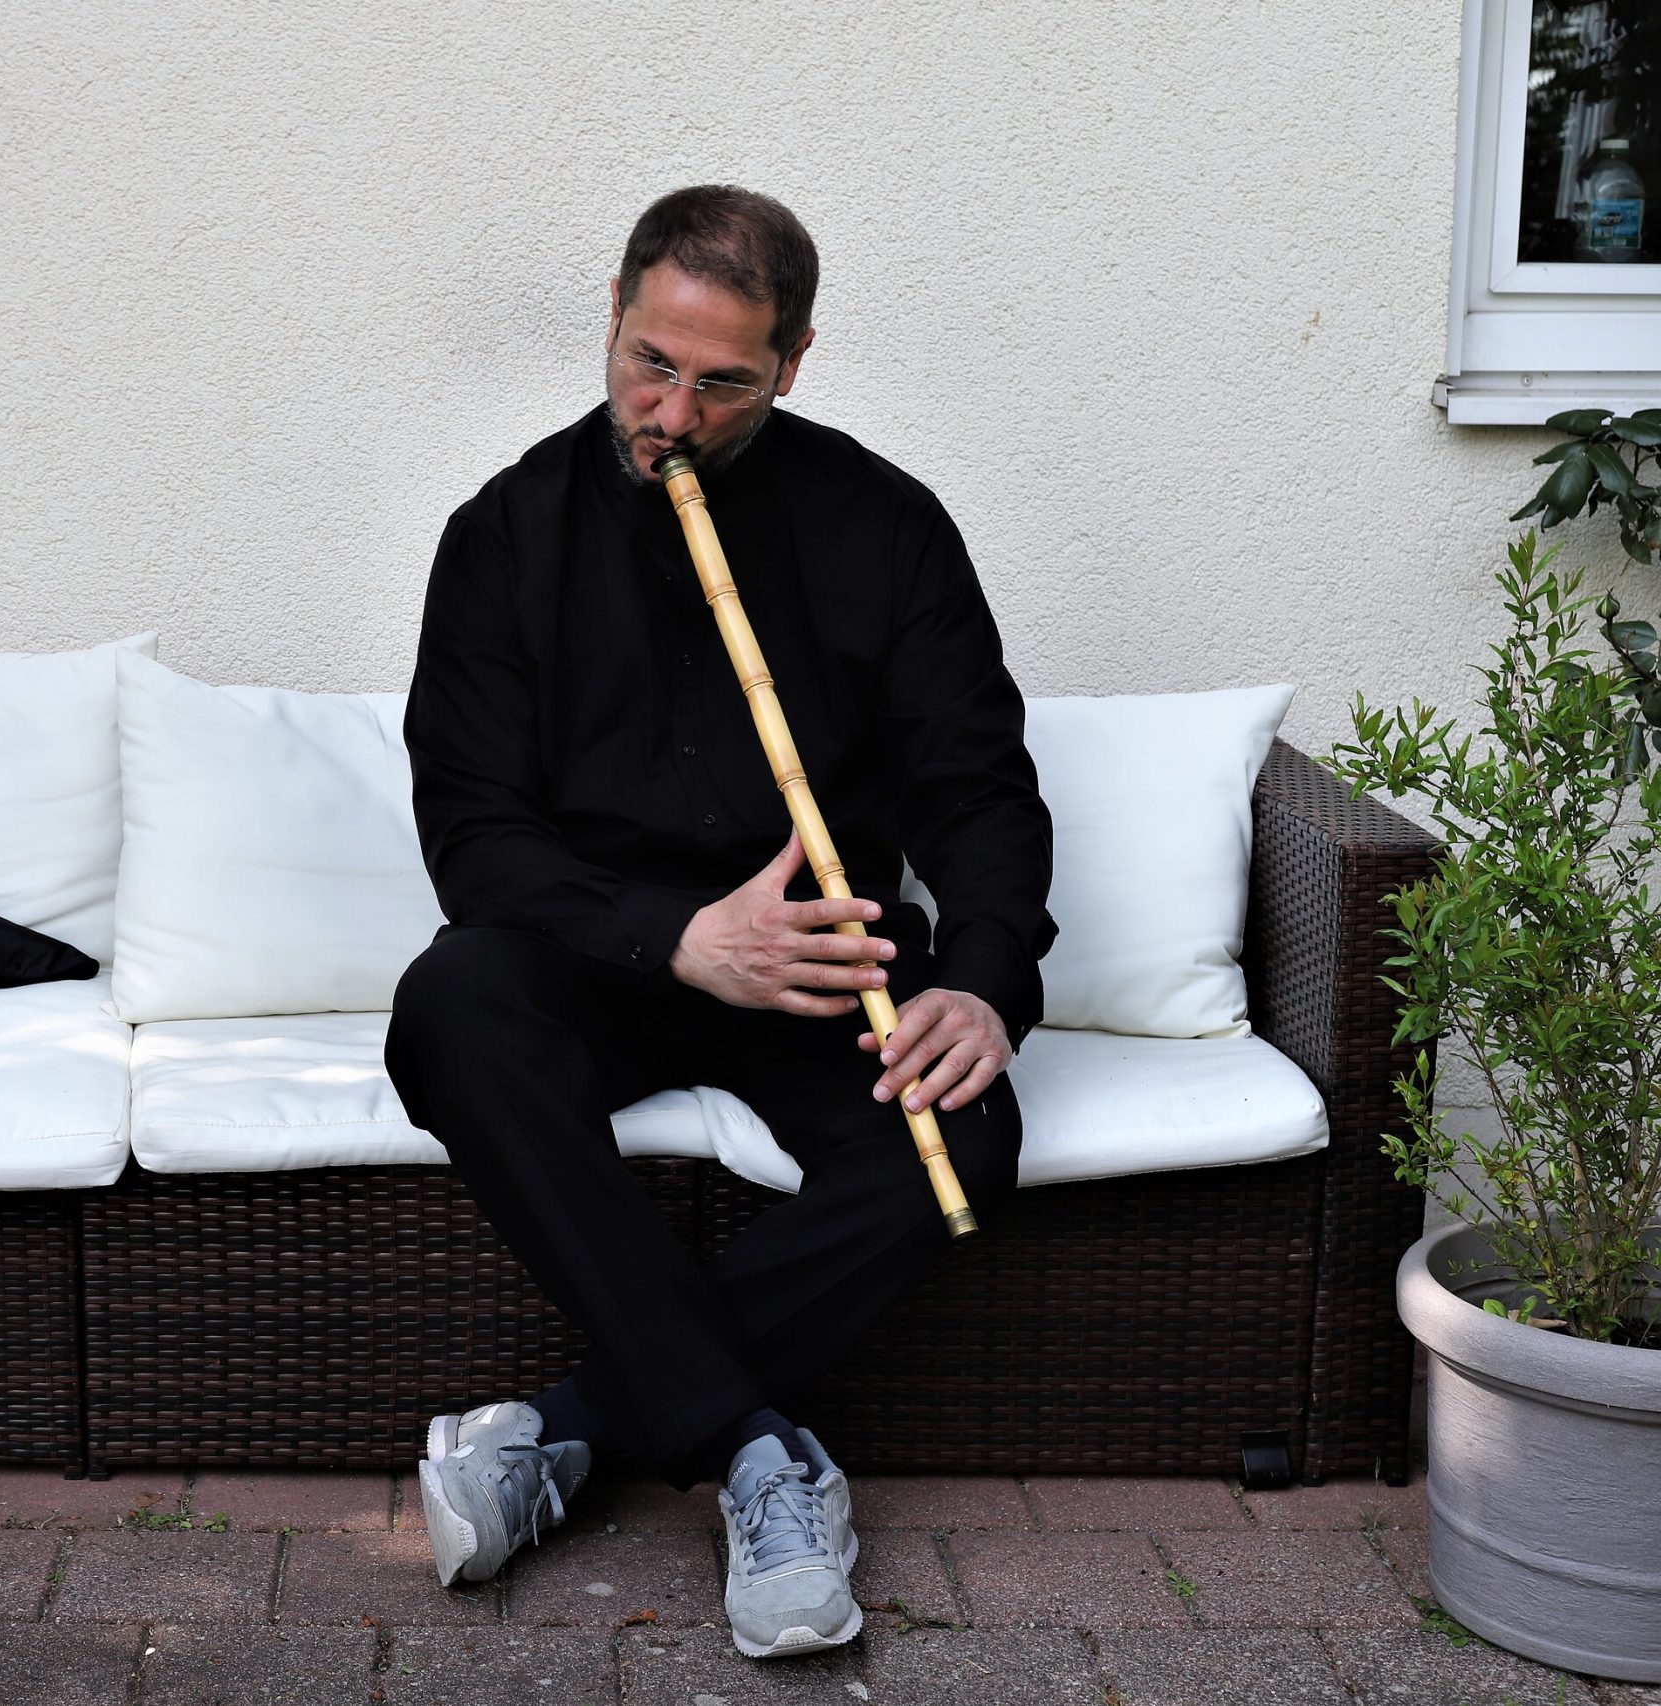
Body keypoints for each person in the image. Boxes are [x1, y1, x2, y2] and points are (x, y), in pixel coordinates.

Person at [381, 185, 1056, 1660]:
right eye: (650, 363)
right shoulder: (503, 535)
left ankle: (572, 1433)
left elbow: (979, 791)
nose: (673, 415)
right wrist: (679, 938)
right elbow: (475, 840)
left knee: (962, 1132)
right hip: (596, 952)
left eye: (724, 382)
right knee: (448, 1011)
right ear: (614, 318)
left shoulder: (886, 525)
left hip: (818, 954)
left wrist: (988, 979)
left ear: (794, 362)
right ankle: (759, 1452)